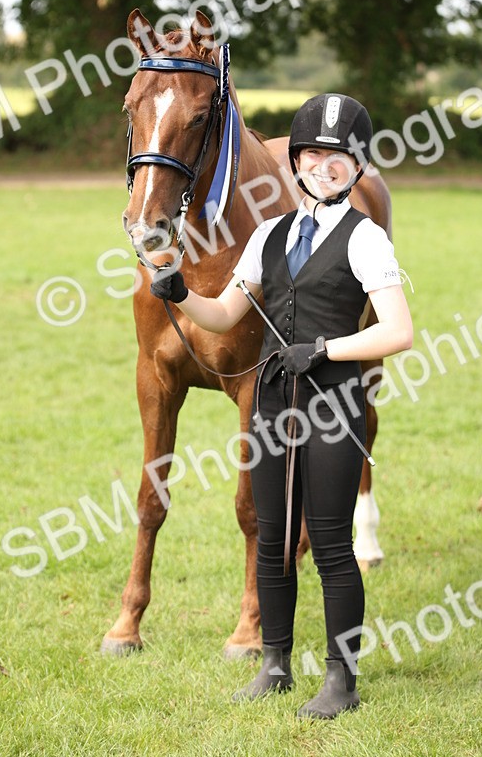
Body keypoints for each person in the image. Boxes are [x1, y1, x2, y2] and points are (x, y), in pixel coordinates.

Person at [150, 94, 413, 718]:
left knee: (327, 543)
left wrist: (327, 348)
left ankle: (340, 681)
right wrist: (180, 291)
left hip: (332, 402)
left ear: (356, 166)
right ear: (295, 161)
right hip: (271, 402)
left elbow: (398, 333)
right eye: (312, 154)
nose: (324, 166)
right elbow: (225, 312)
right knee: (272, 538)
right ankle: (275, 664)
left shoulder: (366, 239)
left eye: (338, 157)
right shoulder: (268, 235)